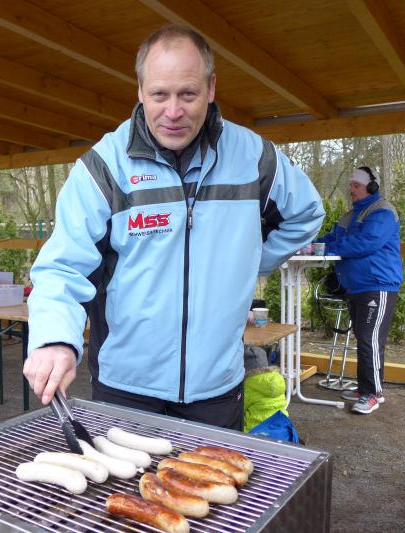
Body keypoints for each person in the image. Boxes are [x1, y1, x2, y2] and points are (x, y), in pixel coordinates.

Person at [23, 25, 325, 429]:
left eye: (188, 94)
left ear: (211, 88)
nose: (173, 111)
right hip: (126, 385)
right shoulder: (104, 166)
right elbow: (62, 266)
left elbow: (306, 213)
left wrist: (247, 266)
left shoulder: (254, 158)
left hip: (217, 386)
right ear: (140, 91)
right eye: (159, 95)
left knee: (216, 474)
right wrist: (55, 340)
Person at [316, 166, 402, 415]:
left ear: (371, 187)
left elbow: (365, 243)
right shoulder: (350, 215)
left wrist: (329, 249)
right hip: (357, 286)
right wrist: (311, 245)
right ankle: (365, 387)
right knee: (365, 338)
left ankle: (373, 394)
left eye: (356, 185)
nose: (351, 190)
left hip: (377, 285)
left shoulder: (383, 212)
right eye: (351, 185)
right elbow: (332, 239)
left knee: (369, 340)